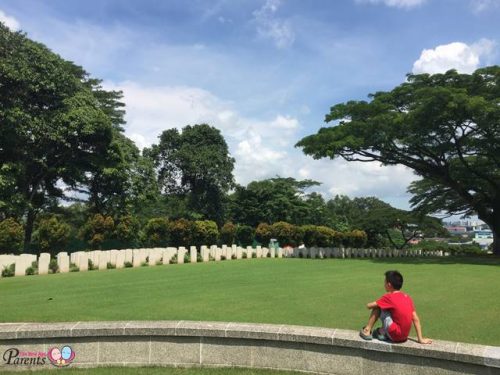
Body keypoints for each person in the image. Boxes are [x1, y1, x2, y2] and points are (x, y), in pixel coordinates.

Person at [359, 270, 432, 344]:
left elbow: (369, 306)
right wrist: (420, 339)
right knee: (389, 309)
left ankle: (367, 330)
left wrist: (377, 303)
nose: (384, 284)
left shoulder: (389, 297)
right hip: (404, 337)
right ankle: (382, 331)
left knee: (378, 307)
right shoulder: (407, 297)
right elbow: (415, 319)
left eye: (385, 282)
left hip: (395, 336)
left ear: (389, 285)